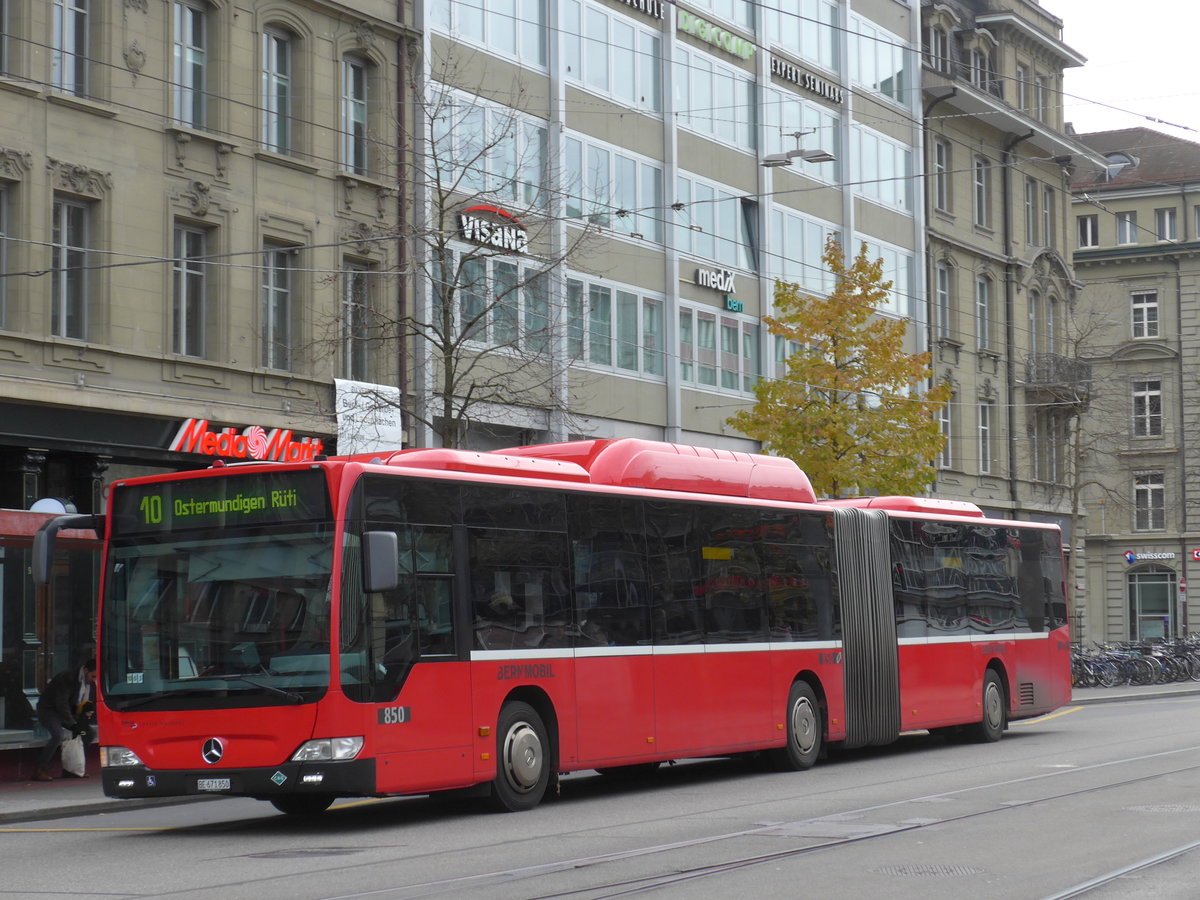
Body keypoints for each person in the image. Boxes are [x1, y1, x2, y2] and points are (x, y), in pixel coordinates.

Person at [32, 659, 97, 781]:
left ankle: (73, 768)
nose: (93, 680)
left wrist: (82, 719)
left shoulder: (89, 684)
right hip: (49, 709)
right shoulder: (68, 678)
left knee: (89, 734)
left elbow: (81, 703)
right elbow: (61, 703)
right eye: (92, 676)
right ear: (85, 671)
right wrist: (72, 724)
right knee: (58, 735)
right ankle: (40, 769)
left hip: (68, 711)